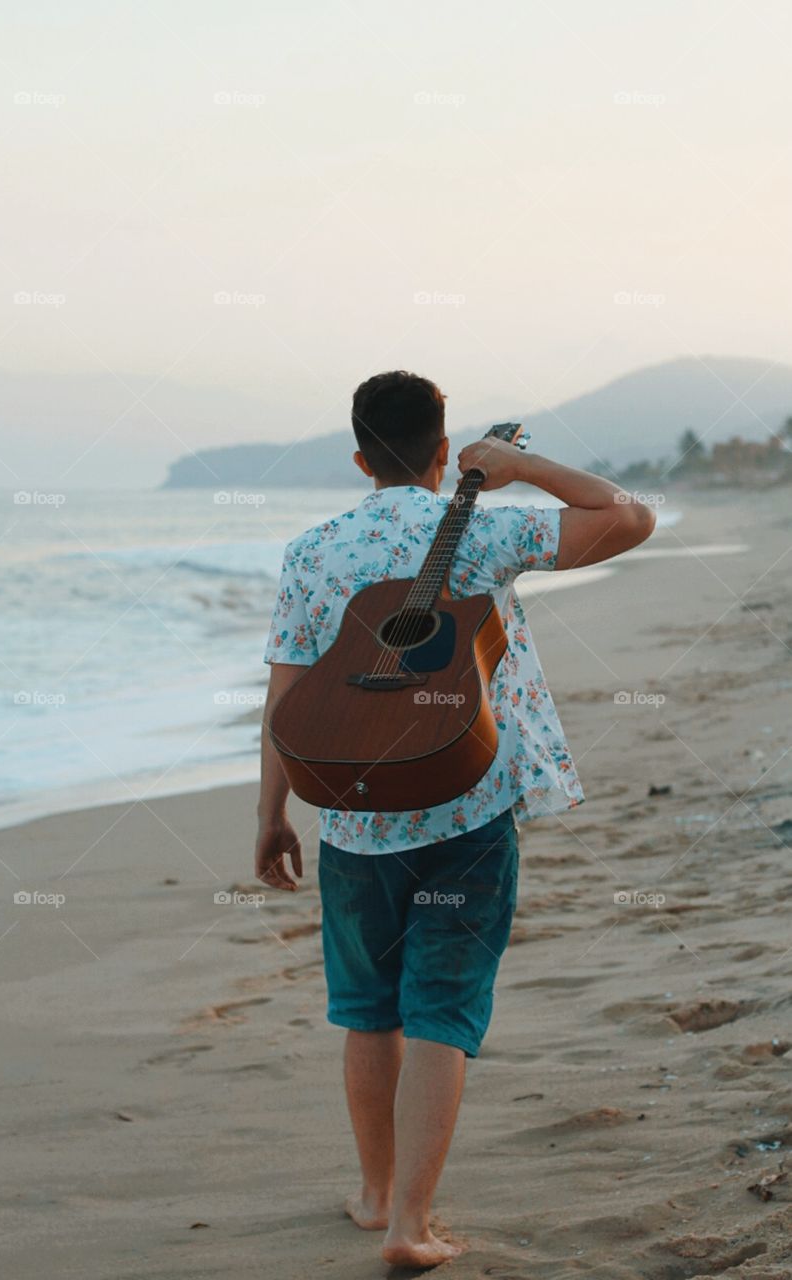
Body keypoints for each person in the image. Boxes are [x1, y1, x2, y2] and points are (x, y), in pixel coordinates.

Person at [254, 370, 655, 1269]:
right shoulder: (486, 525)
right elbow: (629, 517)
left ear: (359, 457)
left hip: (354, 820)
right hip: (465, 802)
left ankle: (372, 1194)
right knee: (440, 1009)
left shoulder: (312, 551)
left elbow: (287, 696)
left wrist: (272, 814)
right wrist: (521, 463)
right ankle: (412, 1225)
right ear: (444, 452)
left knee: (367, 1011)